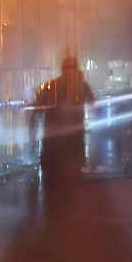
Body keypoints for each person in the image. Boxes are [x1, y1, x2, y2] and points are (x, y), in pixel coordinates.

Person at [33, 54, 96, 187]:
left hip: (65, 139)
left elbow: (38, 107)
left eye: (71, 68)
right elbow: (92, 103)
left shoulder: (55, 85)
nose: (69, 72)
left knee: (64, 180)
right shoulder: (60, 86)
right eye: (69, 68)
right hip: (60, 140)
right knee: (61, 180)